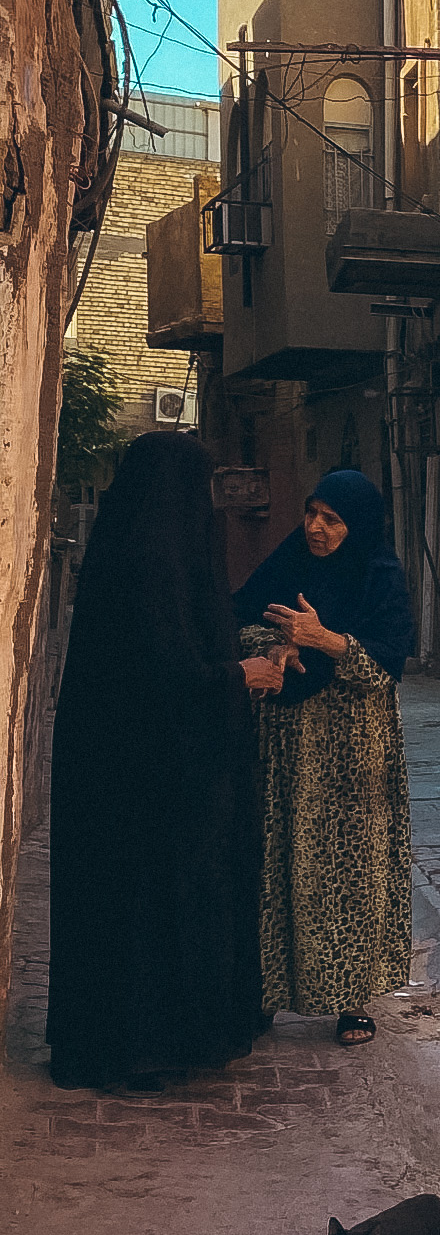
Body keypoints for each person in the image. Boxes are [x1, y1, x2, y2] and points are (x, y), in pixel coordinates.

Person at [48, 433, 286, 1089]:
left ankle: (136, 1040)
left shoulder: (127, 548)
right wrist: (241, 677)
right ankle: (154, 1044)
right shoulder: (157, 560)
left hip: (120, 776)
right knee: (157, 903)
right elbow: (166, 676)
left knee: (128, 907)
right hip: (152, 781)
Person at [231, 469, 414, 1047]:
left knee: (349, 871)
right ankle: (266, 992)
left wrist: (325, 638)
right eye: (312, 512)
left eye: (332, 519)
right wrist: (278, 646)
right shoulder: (289, 563)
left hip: (354, 751)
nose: (316, 527)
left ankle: (351, 999)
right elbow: (239, 622)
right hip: (286, 744)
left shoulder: (381, 577)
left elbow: (386, 666)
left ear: (356, 526)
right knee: (277, 859)